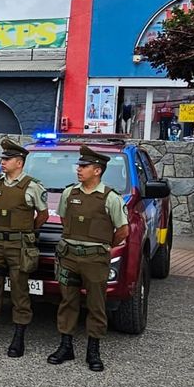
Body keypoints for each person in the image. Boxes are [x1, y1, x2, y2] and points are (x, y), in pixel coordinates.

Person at [48, 146, 129, 373]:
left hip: (95, 259)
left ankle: (93, 351)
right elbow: (64, 220)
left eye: (84, 166)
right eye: (79, 166)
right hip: (69, 256)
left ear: (97, 170)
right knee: (67, 301)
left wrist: (104, 246)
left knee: (96, 304)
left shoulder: (110, 197)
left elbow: (123, 230)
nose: (79, 169)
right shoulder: (69, 193)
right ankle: (66, 346)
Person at [0, 139, 48, 356]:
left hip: (18, 247)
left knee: (19, 291)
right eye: (3, 159)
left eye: (7, 159)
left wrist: (26, 230)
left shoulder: (32, 186)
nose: (3, 162)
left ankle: (18, 339)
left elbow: (43, 215)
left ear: (19, 162)